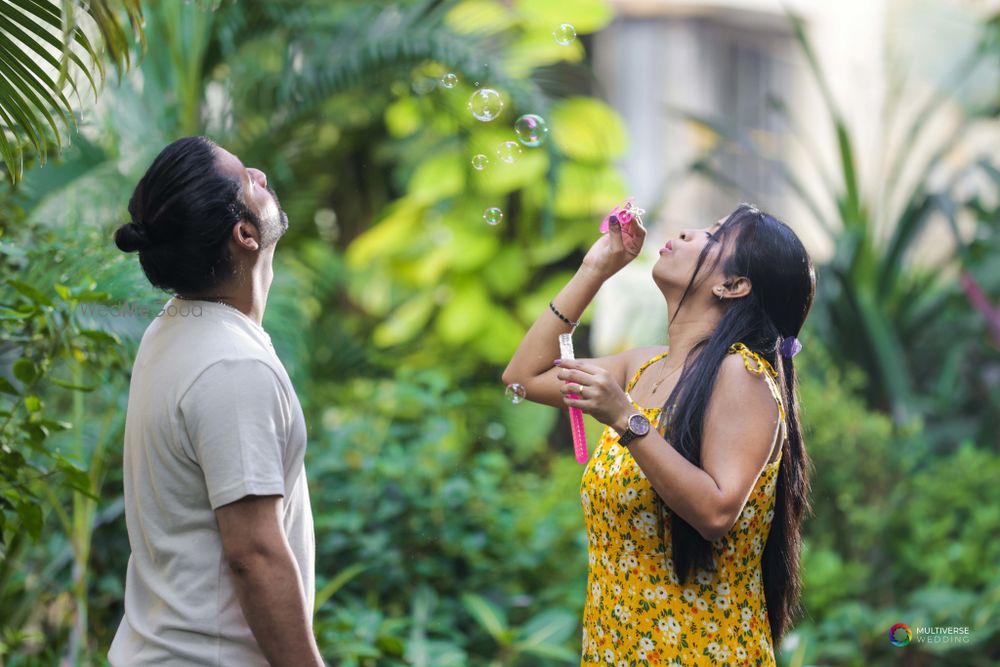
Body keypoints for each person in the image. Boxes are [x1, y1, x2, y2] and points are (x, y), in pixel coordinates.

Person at [503, 203, 815, 666]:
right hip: (616, 649)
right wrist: (595, 269)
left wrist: (627, 419)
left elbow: (715, 512)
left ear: (733, 286)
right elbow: (523, 377)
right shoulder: (641, 366)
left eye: (712, 236)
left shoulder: (741, 375)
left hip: (697, 653)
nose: (688, 233)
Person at [109, 136, 323, 666]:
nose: (261, 174)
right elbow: (254, 554)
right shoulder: (233, 368)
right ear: (245, 234)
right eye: (247, 181)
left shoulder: (175, 327)